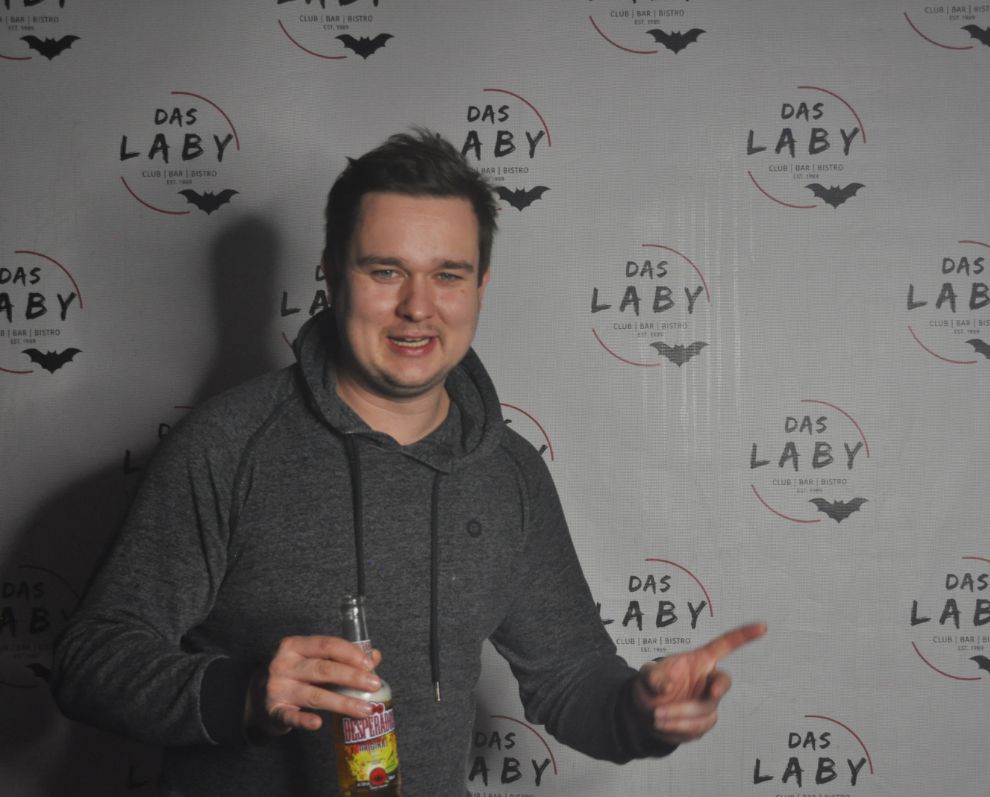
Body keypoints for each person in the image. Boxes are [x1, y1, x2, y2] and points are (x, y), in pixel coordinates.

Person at [51, 129, 765, 796]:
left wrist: (642, 709)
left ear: (480, 285)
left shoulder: (509, 471)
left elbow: (572, 678)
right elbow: (90, 660)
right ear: (334, 276)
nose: (418, 307)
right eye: (386, 270)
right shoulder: (228, 444)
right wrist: (241, 693)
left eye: (448, 274)